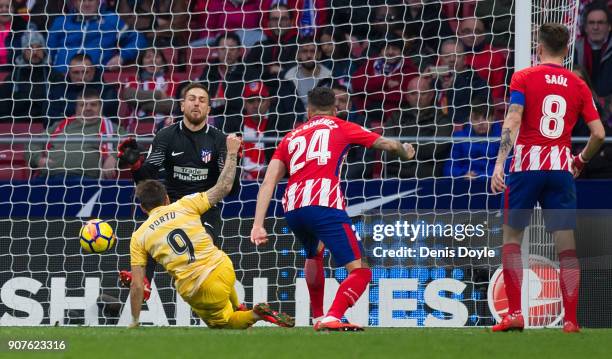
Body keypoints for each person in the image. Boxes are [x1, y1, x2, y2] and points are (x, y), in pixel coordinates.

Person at [249, 87, 416, 331]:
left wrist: (257, 224)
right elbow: (386, 144)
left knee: (314, 254)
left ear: (308, 111)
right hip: (324, 203)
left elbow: (268, 181)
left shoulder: (291, 137)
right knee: (361, 272)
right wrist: (404, 151)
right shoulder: (341, 125)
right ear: (335, 110)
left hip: (293, 207)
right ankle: (333, 315)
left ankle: (318, 316)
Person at [490, 23, 606, 333]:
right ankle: (570, 320)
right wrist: (579, 160)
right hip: (560, 170)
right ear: (566, 50)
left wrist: (500, 162)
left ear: (538, 48)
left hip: (526, 168)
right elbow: (599, 133)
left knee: (512, 241)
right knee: (566, 248)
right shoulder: (578, 83)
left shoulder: (524, 77)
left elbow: (514, 118)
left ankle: (514, 314)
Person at [128, 137, 294, 329]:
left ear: (142, 207)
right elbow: (223, 187)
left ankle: (255, 314)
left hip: (200, 289)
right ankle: (238, 305)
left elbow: (138, 285)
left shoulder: (139, 236)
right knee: (214, 258)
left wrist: (134, 320)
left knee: (224, 324)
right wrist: (232, 154)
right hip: (224, 268)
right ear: (166, 199)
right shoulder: (186, 204)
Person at [117, 82, 239, 290]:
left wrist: (233, 160)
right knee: (149, 232)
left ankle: (223, 296)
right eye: (191, 99)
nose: (196, 104)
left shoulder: (219, 141)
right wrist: (135, 164)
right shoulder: (166, 136)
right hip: (171, 203)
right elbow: (146, 179)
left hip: (205, 206)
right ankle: (143, 282)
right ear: (182, 106)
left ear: (208, 109)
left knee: (205, 243)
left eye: (202, 100)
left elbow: (231, 190)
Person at [26, 88, 123, 180]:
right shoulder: (59, 125)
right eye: (83, 105)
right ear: (76, 108)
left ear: (100, 107)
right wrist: (38, 159)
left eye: (93, 105)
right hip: (48, 179)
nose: (88, 108)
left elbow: (133, 142)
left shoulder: (111, 127)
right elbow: (31, 143)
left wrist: (114, 157)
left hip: (84, 181)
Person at [47, 0, 147, 73]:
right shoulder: (60, 22)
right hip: (62, 77)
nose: (86, 4)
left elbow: (138, 39)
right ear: (75, 2)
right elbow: (49, 51)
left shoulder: (111, 19)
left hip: (97, 77)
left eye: (91, 0)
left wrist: (122, 56)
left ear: (99, 2)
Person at [384, 76, 453, 178]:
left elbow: (433, 150)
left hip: (427, 178)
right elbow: (387, 148)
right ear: (407, 96)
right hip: (395, 175)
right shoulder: (395, 117)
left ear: (431, 95)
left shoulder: (443, 120)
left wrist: (402, 148)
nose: (418, 97)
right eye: (413, 93)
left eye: (423, 93)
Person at [47, 53, 120, 126]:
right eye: (76, 72)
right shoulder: (58, 90)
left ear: (93, 71)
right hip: (65, 133)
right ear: (69, 72)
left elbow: (109, 122)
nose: (80, 77)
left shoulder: (107, 92)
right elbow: (49, 120)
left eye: (85, 72)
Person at [443, 97, 502, 178]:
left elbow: (506, 166)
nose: (481, 122)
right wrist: (463, 174)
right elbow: (448, 168)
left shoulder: (502, 139)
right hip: (465, 183)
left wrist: (480, 176)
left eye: (485, 118)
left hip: (492, 182)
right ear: (469, 119)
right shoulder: (459, 138)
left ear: (492, 119)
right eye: (476, 118)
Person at [574, 1, 612, 97]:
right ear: (585, 27)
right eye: (591, 23)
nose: (595, 27)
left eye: (600, 22)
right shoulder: (574, 50)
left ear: (609, 26)